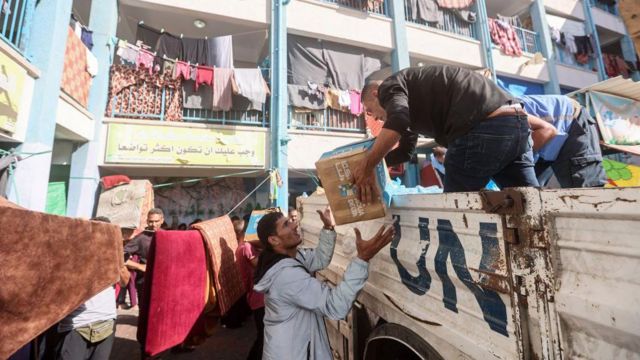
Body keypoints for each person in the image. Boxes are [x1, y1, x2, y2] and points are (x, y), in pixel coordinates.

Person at [354, 65, 552, 201]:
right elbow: (405, 152)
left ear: (375, 94)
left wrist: (366, 165)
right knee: (529, 202)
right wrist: (370, 167)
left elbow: (397, 121)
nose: (376, 119)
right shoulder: (407, 104)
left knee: (457, 209)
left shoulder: (389, 87)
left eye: (370, 111)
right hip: (516, 123)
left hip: (483, 126)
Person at [254, 207, 394, 360]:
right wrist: (362, 259)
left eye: (291, 221)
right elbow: (335, 306)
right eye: (286, 224)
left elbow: (319, 259)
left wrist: (328, 228)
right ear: (274, 240)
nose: (295, 225)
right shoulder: (286, 276)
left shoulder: (291, 258)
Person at [55, 217, 130, 360]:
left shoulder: (113, 256)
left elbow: (124, 282)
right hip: (76, 325)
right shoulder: (74, 254)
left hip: (105, 322)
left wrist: (117, 259)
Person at [518, 94, 607, 188]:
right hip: (547, 142)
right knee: (524, 191)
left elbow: (548, 130)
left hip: (570, 121)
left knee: (585, 191)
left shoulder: (508, 113)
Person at [234, 218, 265, 360]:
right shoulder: (246, 247)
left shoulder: (245, 246)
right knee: (263, 338)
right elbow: (261, 266)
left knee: (263, 337)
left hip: (258, 297)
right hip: (259, 298)